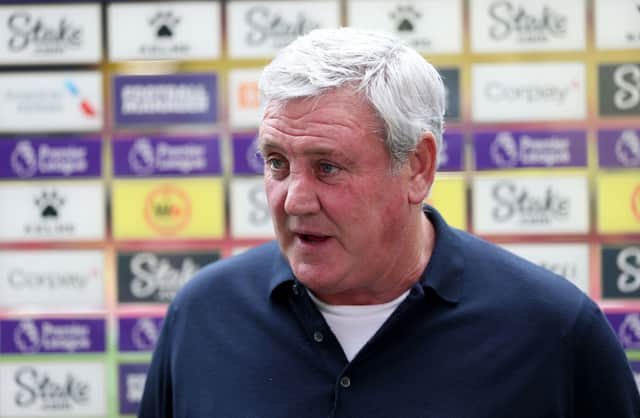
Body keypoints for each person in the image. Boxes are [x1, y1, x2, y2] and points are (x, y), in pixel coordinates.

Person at [139, 28, 640, 417]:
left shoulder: (553, 332)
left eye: (327, 167)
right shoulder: (202, 315)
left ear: (418, 167)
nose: (294, 199)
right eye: (276, 162)